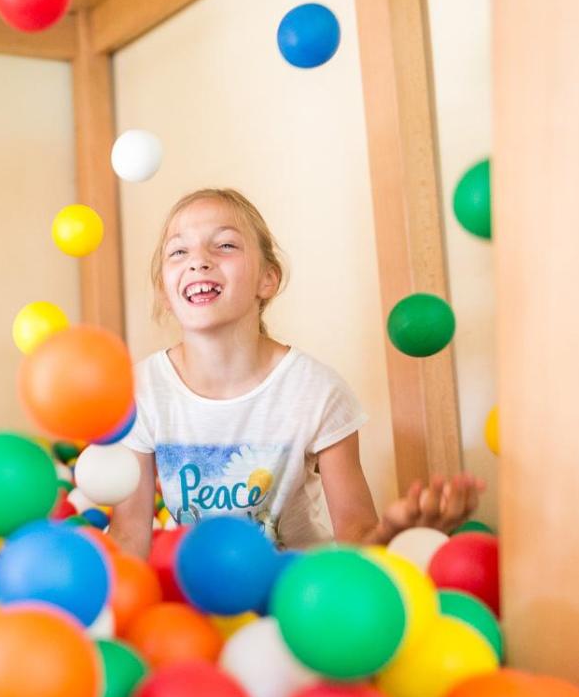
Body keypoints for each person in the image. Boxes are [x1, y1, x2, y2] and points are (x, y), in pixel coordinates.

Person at [110, 188, 483, 557]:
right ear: (164, 292)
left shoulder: (317, 392)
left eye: (224, 245)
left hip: (295, 588)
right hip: (198, 587)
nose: (198, 261)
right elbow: (130, 536)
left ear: (267, 279)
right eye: (179, 251)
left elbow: (355, 536)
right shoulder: (141, 390)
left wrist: (393, 531)